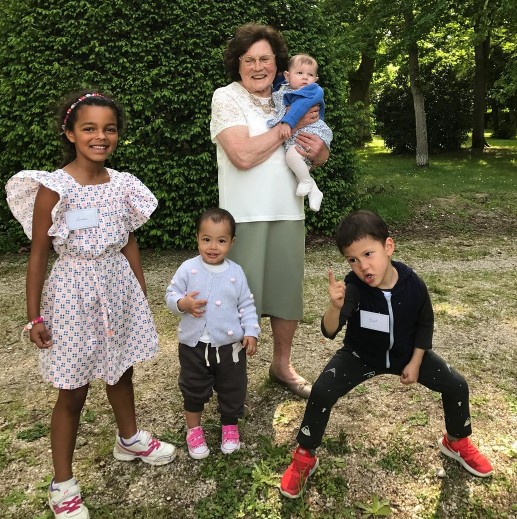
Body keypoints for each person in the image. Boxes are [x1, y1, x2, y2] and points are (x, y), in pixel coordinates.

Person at [5, 90, 176, 519]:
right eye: (89, 128)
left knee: (122, 369)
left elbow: (128, 240)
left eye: (109, 129)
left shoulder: (123, 185)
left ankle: (129, 438)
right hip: (72, 296)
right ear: (70, 133)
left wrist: (139, 293)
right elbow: (38, 255)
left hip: (117, 289)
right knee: (73, 389)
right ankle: (62, 483)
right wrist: (34, 315)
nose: (100, 136)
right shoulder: (54, 189)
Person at [279, 210, 493, 498]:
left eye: (368, 254)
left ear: (388, 247)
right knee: (321, 390)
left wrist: (416, 362)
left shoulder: (413, 284)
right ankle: (305, 454)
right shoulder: (353, 287)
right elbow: (329, 331)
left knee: (456, 384)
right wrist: (334, 307)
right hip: (360, 355)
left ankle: (456, 441)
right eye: (352, 260)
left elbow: (425, 324)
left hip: (407, 354)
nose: (362, 266)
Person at [210, 23, 330, 399]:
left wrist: (320, 152)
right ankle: (233, 381)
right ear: (238, 64)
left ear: (277, 63)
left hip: (289, 211)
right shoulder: (227, 97)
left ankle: (282, 365)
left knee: (285, 295)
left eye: (265, 58)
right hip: (243, 216)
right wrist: (286, 127)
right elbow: (243, 155)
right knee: (238, 300)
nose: (258, 66)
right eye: (249, 60)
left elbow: (315, 148)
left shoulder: (288, 94)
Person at [165, 208, 260, 459]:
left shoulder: (235, 272)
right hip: (193, 346)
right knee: (193, 387)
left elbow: (246, 304)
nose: (213, 246)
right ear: (197, 238)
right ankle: (193, 429)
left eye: (221, 240)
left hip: (230, 347)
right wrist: (182, 303)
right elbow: (170, 295)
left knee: (233, 387)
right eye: (206, 239)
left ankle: (229, 426)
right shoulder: (188, 269)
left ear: (231, 242)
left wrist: (251, 331)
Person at [267, 53, 333, 212]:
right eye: (299, 73)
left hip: (310, 131)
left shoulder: (311, 91)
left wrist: (287, 123)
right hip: (298, 133)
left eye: (310, 75)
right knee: (296, 164)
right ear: (287, 76)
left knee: (292, 156)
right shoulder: (286, 87)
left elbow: (300, 107)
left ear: (316, 79)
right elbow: (279, 87)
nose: (305, 78)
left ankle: (307, 182)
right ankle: (314, 191)